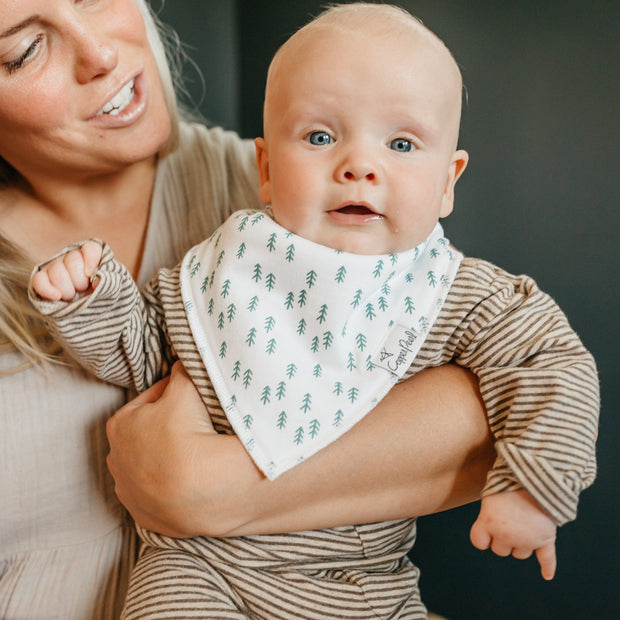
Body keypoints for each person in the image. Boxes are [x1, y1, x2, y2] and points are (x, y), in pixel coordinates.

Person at [29, 3, 599, 619]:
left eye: (402, 143)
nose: (358, 164)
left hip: (360, 582)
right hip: (199, 569)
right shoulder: (231, 267)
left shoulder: (457, 293)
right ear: (267, 169)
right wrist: (93, 296)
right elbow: (140, 354)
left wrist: (533, 487)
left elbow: (554, 365)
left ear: (448, 182)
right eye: (321, 137)